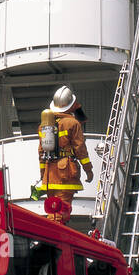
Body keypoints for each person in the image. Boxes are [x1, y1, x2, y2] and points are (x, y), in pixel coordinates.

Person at [34, 86, 93, 219]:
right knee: (62, 211)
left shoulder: (44, 126)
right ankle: (55, 236)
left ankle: (50, 231)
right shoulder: (72, 123)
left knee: (53, 209)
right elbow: (80, 149)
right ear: (71, 105)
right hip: (66, 173)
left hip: (49, 175)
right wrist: (88, 170)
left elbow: (41, 152)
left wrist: (43, 174)